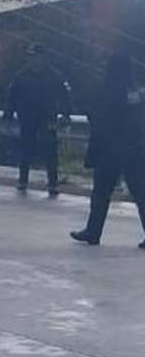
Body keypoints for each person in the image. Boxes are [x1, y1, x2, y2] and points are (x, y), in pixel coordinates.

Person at [71, 53, 145, 247]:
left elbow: (98, 119)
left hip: (109, 151)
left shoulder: (106, 90)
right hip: (134, 149)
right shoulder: (137, 92)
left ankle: (93, 232)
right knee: (140, 193)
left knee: (101, 194)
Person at [4, 44, 71, 196]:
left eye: (36, 57)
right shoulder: (21, 76)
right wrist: (8, 115)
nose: (33, 60)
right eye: (31, 57)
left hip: (48, 119)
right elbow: (11, 97)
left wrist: (66, 115)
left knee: (50, 152)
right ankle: (23, 181)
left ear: (44, 58)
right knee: (25, 151)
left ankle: (53, 184)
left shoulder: (54, 76)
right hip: (27, 118)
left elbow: (65, 97)